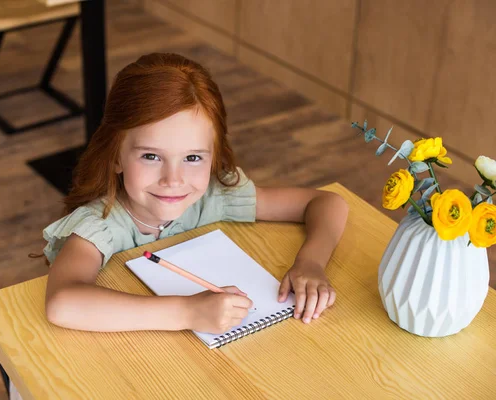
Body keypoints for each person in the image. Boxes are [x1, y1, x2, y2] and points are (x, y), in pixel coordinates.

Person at [42, 52, 349, 335]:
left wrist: (311, 262)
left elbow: (325, 202)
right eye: (151, 156)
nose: (173, 180)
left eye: (192, 158)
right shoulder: (100, 223)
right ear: (116, 156)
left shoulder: (216, 196)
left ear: (214, 156)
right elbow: (62, 303)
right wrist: (186, 313)